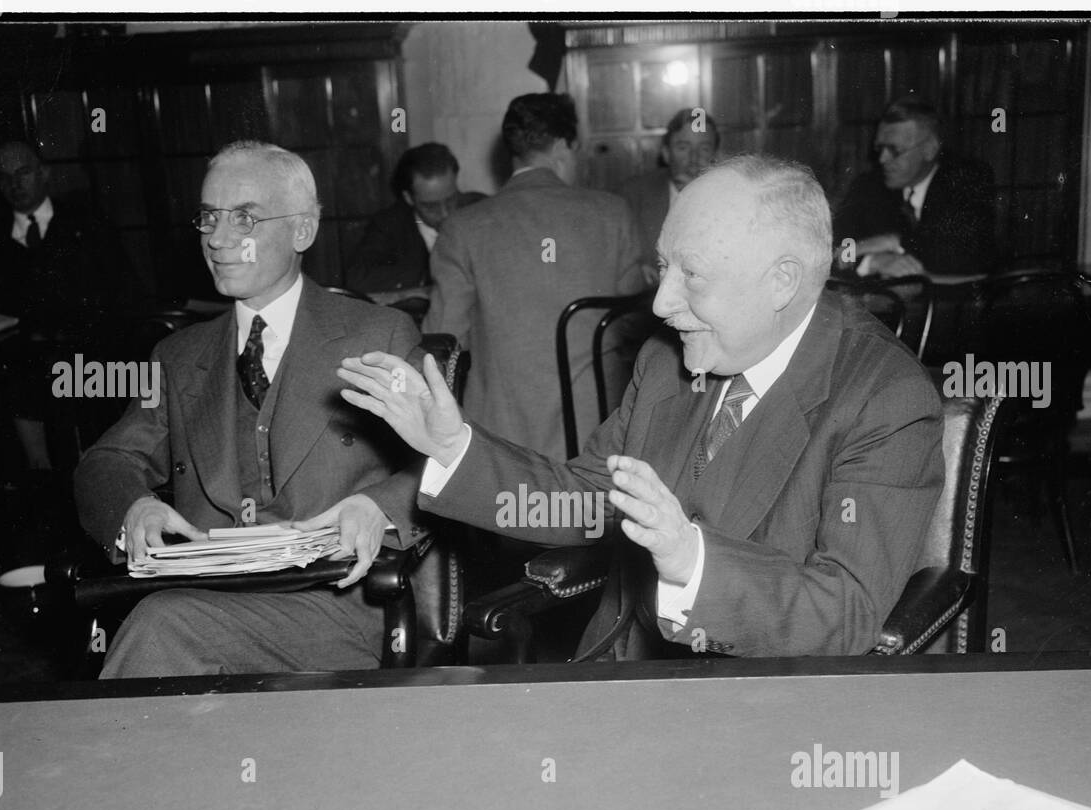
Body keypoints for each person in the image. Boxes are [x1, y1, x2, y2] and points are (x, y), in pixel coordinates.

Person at [340, 156, 945, 660]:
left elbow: (849, 613)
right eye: (663, 266)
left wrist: (690, 560)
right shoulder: (668, 359)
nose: (660, 303)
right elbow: (585, 499)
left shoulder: (885, 398)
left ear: (782, 281)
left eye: (692, 275)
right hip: (619, 673)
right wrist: (453, 448)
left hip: (765, 707)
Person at [73, 141, 427, 678]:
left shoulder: (379, 333)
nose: (217, 239)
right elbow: (107, 461)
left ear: (302, 232)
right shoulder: (177, 356)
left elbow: (442, 463)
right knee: (167, 621)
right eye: (209, 217)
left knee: (161, 626)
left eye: (245, 219)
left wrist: (378, 506)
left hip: (341, 602)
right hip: (208, 594)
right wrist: (134, 510)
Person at [422, 93, 645, 458]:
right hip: (597, 439)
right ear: (561, 146)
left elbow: (442, 339)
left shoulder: (463, 227)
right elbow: (632, 328)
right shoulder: (613, 213)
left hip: (500, 445)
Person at [0, 139, 145, 471]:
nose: (15, 184)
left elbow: (123, 293)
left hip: (93, 368)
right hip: (24, 376)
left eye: (23, 172)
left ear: (44, 173)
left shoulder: (88, 225)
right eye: (4, 176)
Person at [832, 98, 997, 278]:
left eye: (894, 150)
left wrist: (894, 241)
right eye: (880, 148)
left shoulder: (965, 180)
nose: (882, 159)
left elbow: (958, 255)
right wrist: (871, 261)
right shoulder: (868, 186)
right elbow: (835, 249)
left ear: (929, 149)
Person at [345, 142, 485, 294]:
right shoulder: (389, 223)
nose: (445, 213)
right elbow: (358, 278)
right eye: (431, 207)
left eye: (451, 200)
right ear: (409, 198)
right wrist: (433, 272)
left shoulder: (481, 209)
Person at [618, 108, 720, 281]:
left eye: (704, 148)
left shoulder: (731, 197)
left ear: (715, 156)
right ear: (666, 153)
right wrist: (635, 268)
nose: (693, 158)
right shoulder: (633, 195)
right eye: (683, 147)